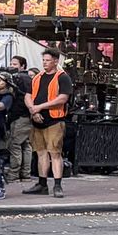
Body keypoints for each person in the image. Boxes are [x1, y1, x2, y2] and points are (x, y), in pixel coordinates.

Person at [25, 48, 74, 196]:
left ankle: (57, 185)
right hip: (37, 120)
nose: (45, 63)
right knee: (41, 153)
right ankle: (42, 184)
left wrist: (39, 107)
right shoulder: (37, 77)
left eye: (48, 60)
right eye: (44, 60)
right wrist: (33, 110)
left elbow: (62, 98)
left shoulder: (63, 77)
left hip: (54, 120)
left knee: (55, 153)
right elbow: (28, 95)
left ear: (55, 61)